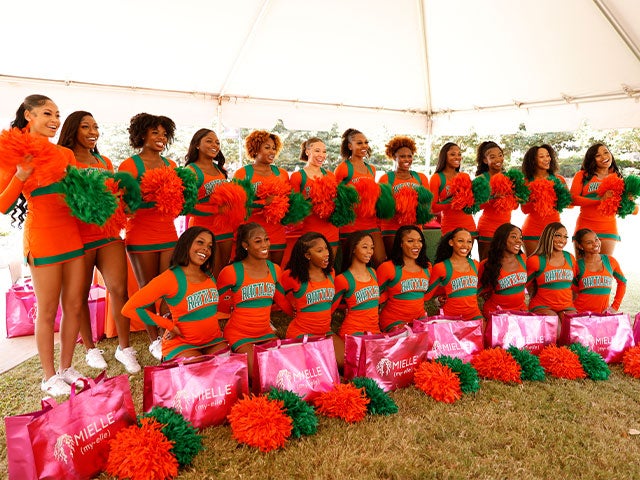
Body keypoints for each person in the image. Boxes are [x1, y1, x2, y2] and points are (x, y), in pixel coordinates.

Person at [0, 95, 86, 396]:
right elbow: (3, 204)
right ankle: (48, 376)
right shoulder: (13, 151)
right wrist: (20, 175)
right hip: (43, 237)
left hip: (71, 234)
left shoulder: (65, 153)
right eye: (47, 113)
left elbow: (80, 194)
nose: (55, 120)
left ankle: (66, 368)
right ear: (29, 115)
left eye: (57, 115)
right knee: (47, 311)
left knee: (75, 304)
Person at [57, 111, 140, 373]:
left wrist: (123, 202)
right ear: (72, 130)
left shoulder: (104, 161)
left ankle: (124, 347)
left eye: (95, 127)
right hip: (77, 236)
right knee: (79, 295)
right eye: (86, 127)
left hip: (108, 234)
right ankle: (90, 348)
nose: (93, 132)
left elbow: (113, 195)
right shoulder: (63, 159)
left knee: (119, 289)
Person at [117, 113, 178, 361]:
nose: (161, 138)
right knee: (147, 290)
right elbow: (123, 206)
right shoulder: (129, 166)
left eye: (164, 134)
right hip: (141, 234)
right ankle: (154, 340)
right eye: (155, 133)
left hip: (168, 233)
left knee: (170, 287)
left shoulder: (171, 165)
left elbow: (178, 204)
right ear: (142, 135)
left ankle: (166, 333)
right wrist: (147, 197)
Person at [122, 227, 228, 360]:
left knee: (227, 363)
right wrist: (169, 325)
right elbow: (129, 309)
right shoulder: (170, 277)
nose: (206, 249)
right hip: (182, 344)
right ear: (186, 244)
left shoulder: (208, 275)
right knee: (199, 368)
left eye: (209, 246)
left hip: (212, 340)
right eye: (200, 242)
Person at [217, 222, 291, 379]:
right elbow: (215, 302)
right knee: (259, 375)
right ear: (245, 245)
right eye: (258, 241)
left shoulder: (274, 269)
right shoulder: (231, 272)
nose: (265, 245)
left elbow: (281, 300)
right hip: (240, 334)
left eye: (266, 239)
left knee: (282, 372)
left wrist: (298, 313)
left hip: (265, 333)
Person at [281, 232, 344, 368]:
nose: (326, 253)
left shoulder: (330, 272)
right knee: (318, 368)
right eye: (320, 251)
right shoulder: (293, 276)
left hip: (325, 331)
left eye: (326, 248)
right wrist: (290, 309)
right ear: (307, 255)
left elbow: (331, 301)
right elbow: (277, 291)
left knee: (343, 363)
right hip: (302, 333)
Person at [233, 130, 290, 265]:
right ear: (256, 148)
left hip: (277, 231)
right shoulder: (242, 173)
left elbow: (288, 201)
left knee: (275, 271)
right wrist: (264, 202)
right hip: (253, 234)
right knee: (257, 270)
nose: (272, 151)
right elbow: (237, 205)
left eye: (274, 148)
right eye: (267, 147)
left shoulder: (282, 173)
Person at [184, 128, 233, 278]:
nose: (215, 145)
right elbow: (186, 208)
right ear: (197, 145)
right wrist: (216, 210)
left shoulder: (220, 170)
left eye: (217, 142)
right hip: (203, 231)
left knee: (222, 274)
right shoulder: (191, 171)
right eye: (209, 141)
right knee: (207, 275)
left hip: (225, 229)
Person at [334, 128, 386, 267]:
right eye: (359, 143)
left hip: (370, 222)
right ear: (350, 146)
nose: (364, 146)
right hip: (351, 225)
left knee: (380, 261)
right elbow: (336, 197)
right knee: (352, 264)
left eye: (366, 142)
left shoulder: (371, 169)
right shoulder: (343, 168)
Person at [378, 135, 430, 258]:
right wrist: (401, 205)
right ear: (394, 157)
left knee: (415, 261)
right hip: (391, 229)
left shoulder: (421, 178)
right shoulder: (386, 178)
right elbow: (382, 209)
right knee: (395, 261)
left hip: (415, 228)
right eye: (402, 156)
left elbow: (427, 205)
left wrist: (415, 206)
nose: (407, 159)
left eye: (409, 156)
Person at [289, 137, 340, 257]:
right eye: (317, 150)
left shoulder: (330, 175)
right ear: (307, 152)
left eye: (324, 151)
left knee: (329, 264)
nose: (321, 155)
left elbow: (337, 202)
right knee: (311, 265)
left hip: (331, 230)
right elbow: (293, 209)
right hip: (310, 231)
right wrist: (314, 203)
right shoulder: (297, 177)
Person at [570, 143, 624, 255]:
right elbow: (573, 199)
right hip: (585, 227)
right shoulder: (582, 175)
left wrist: (627, 202)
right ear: (592, 159)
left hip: (608, 228)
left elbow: (623, 207)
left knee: (604, 264)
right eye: (598, 155)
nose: (604, 157)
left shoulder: (617, 177)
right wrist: (599, 200)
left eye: (606, 152)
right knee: (583, 265)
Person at [376, 225, 431, 331]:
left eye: (419, 241)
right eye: (410, 241)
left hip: (419, 318)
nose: (416, 245)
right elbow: (373, 295)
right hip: (394, 320)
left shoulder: (427, 267)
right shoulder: (388, 267)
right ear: (400, 244)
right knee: (407, 337)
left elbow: (430, 291)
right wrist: (386, 295)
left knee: (432, 336)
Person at [520, 144, 569, 255]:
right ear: (533, 161)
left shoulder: (559, 179)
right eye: (542, 157)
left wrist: (553, 198)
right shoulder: (526, 182)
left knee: (552, 263)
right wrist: (536, 198)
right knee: (533, 263)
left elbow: (570, 205)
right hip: (532, 231)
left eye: (548, 155)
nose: (547, 159)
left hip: (554, 230)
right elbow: (524, 210)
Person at [426, 228, 482, 321]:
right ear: (451, 242)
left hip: (474, 314)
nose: (465, 245)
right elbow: (427, 294)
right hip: (450, 316)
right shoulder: (441, 267)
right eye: (460, 241)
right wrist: (439, 299)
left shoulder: (475, 264)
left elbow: (477, 288)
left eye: (469, 242)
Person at [332, 230, 381, 337]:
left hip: (375, 330)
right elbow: (329, 307)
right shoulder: (343, 279)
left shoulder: (373, 272)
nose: (370, 251)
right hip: (354, 332)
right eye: (365, 247)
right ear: (353, 249)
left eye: (372, 248)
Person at [526, 222, 577, 322]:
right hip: (542, 306)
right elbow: (524, 285)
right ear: (548, 237)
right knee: (554, 325)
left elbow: (574, 285)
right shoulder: (535, 260)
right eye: (558, 235)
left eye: (565, 237)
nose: (562, 240)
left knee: (572, 327)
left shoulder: (570, 257)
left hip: (567, 306)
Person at [478, 223, 528, 320]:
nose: (519, 241)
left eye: (520, 238)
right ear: (502, 239)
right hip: (497, 312)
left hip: (520, 310)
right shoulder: (488, 264)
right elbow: (474, 292)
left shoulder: (522, 258)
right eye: (514, 237)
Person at [429, 142, 478, 238]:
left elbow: (471, 203)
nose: (457, 157)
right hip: (450, 227)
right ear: (444, 157)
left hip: (469, 226)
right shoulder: (436, 178)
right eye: (452, 154)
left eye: (459, 154)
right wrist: (453, 200)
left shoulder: (465, 176)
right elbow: (433, 208)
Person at [572, 228, 626, 313]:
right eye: (589, 242)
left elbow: (622, 282)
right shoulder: (577, 265)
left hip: (602, 315)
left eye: (596, 239)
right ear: (580, 246)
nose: (595, 244)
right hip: (580, 314)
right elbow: (572, 289)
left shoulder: (611, 261)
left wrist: (615, 307)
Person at [475, 141, 513, 260]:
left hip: (506, 228)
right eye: (492, 157)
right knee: (486, 263)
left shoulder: (510, 177)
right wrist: (492, 198)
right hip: (488, 228)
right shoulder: (481, 179)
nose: (498, 159)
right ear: (485, 160)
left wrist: (515, 198)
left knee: (505, 264)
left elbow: (515, 206)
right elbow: (476, 206)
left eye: (500, 155)